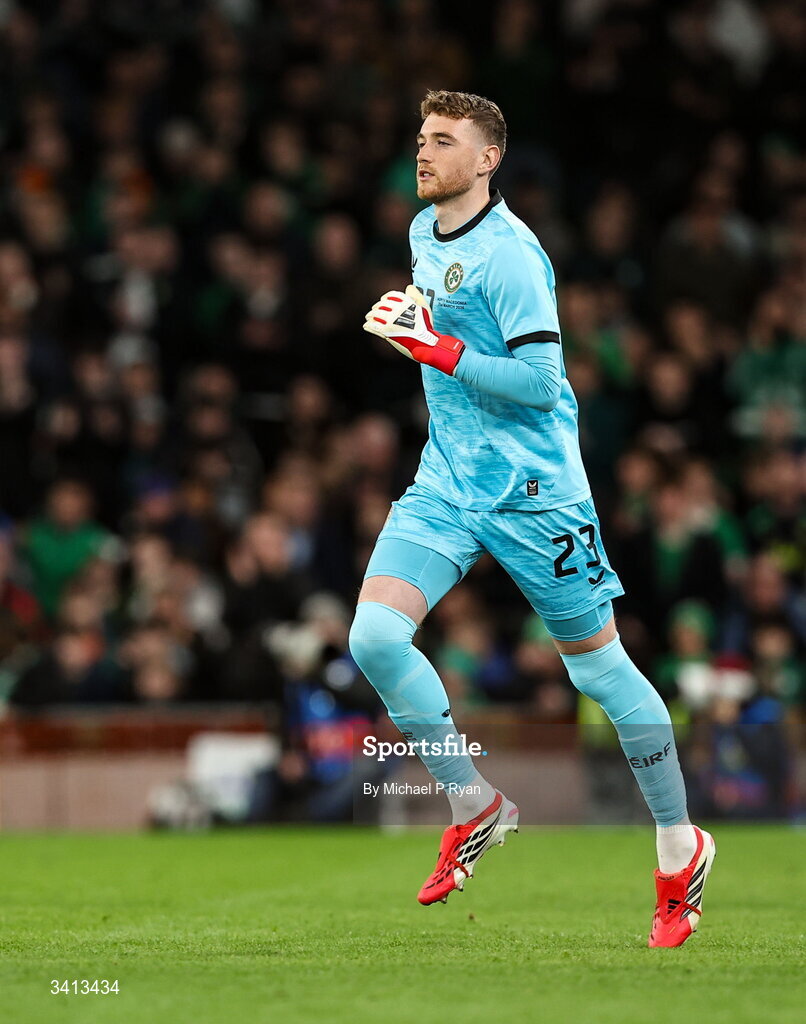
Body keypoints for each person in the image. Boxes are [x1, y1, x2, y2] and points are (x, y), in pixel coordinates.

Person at [350, 90, 715, 948]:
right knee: (373, 637)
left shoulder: (513, 256)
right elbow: (445, 349)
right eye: (420, 139)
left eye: (444, 142)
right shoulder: (418, 233)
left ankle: (677, 843)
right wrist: (418, 329)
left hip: (536, 496)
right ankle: (473, 803)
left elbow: (544, 385)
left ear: (489, 160)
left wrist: (431, 346)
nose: (424, 153)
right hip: (448, 483)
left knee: (599, 672)